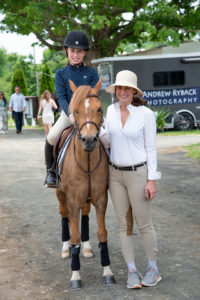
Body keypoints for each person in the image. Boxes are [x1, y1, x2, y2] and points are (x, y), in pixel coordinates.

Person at [101, 70, 162, 289]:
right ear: (115, 90)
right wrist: (95, 128)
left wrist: (151, 180)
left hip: (138, 174)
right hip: (115, 175)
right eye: (120, 88)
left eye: (127, 88)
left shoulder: (145, 114)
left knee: (144, 223)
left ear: (134, 91)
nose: (123, 91)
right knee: (123, 225)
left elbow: (151, 148)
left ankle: (153, 269)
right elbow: (108, 141)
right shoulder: (110, 110)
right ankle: (132, 271)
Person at [44, 30, 99, 258]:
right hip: (70, 115)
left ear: (84, 52)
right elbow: (62, 96)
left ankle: (109, 170)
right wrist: (70, 114)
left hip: (88, 116)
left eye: (79, 51)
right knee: (50, 137)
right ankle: (51, 172)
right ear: (67, 51)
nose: (75, 54)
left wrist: (86, 116)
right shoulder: (60, 72)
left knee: (104, 138)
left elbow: (95, 97)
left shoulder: (91, 73)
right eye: (72, 51)